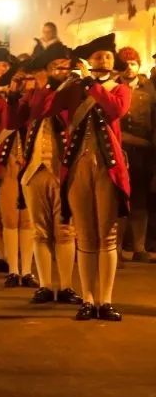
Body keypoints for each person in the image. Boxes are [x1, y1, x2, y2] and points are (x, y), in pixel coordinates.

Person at [42, 33, 130, 321]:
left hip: (108, 168)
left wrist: (91, 85)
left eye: (106, 56)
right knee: (85, 235)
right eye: (96, 57)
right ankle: (88, 299)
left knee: (107, 235)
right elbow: (47, 110)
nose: (102, 60)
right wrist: (66, 81)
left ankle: (106, 300)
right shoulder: (76, 89)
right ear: (88, 62)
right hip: (78, 166)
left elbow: (115, 110)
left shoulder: (120, 88)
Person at [17, 44, 81, 305]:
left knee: (65, 230)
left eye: (64, 66)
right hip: (34, 170)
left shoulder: (76, 92)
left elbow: (63, 113)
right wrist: (15, 94)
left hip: (63, 170)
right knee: (40, 231)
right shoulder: (37, 94)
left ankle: (65, 286)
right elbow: (21, 118)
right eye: (55, 66)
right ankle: (44, 285)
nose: (60, 70)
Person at [0, 63, 37, 289]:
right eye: (19, 78)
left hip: (33, 160)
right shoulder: (6, 101)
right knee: (10, 217)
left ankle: (27, 270)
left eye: (28, 78)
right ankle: (13, 269)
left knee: (28, 220)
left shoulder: (41, 99)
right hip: (8, 162)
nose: (24, 82)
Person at [118, 48, 156, 261]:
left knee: (140, 200)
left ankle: (139, 248)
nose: (129, 67)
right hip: (119, 150)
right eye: (125, 63)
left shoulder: (148, 88)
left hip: (143, 153)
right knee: (120, 201)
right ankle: (116, 248)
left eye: (132, 63)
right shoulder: (114, 87)